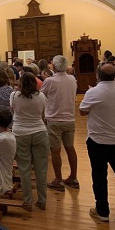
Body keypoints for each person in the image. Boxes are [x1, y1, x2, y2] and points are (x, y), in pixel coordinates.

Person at [80, 63, 115, 221]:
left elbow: (82, 111)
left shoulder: (93, 92)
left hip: (98, 140)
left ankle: (102, 210)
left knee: (99, 175)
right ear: (114, 76)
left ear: (98, 75)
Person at [10, 72, 49, 211]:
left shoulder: (14, 96)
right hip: (39, 131)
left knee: (24, 169)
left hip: (20, 133)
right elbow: (43, 114)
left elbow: (13, 109)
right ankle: (42, 200)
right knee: (41, 169)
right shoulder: (42, 96)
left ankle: (27, 201)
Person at [41, 55, 79, 192]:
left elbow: (41, 96)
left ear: (55, 66)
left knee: (55, 150)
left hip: (54, 119)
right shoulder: (72, 79)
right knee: (70, 148)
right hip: (69, 118)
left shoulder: (50, 81)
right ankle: (73, 177)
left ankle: (58, 179)